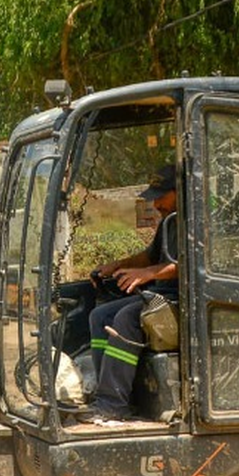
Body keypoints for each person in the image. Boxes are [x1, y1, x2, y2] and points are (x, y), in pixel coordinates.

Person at [78, 164, 179, 426]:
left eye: (161, 196)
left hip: (186, 300)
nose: (155, 204)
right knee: (100, 316)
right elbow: (149, 255)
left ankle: (113, 406)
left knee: (127, 318)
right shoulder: (170, 222)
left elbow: (191, 265)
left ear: (181, 190)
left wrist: (148, 274)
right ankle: (106, 393)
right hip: (161, 294)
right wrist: (118, 265)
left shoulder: (197, 220)